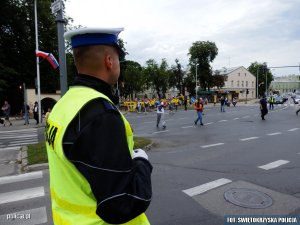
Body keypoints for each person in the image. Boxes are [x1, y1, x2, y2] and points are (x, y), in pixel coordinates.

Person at [45, 28, 152, 225]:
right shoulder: (100, 113)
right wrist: (142, 161)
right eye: (118, 59)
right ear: (109, 61)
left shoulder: (63, 105)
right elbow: (123, 204)